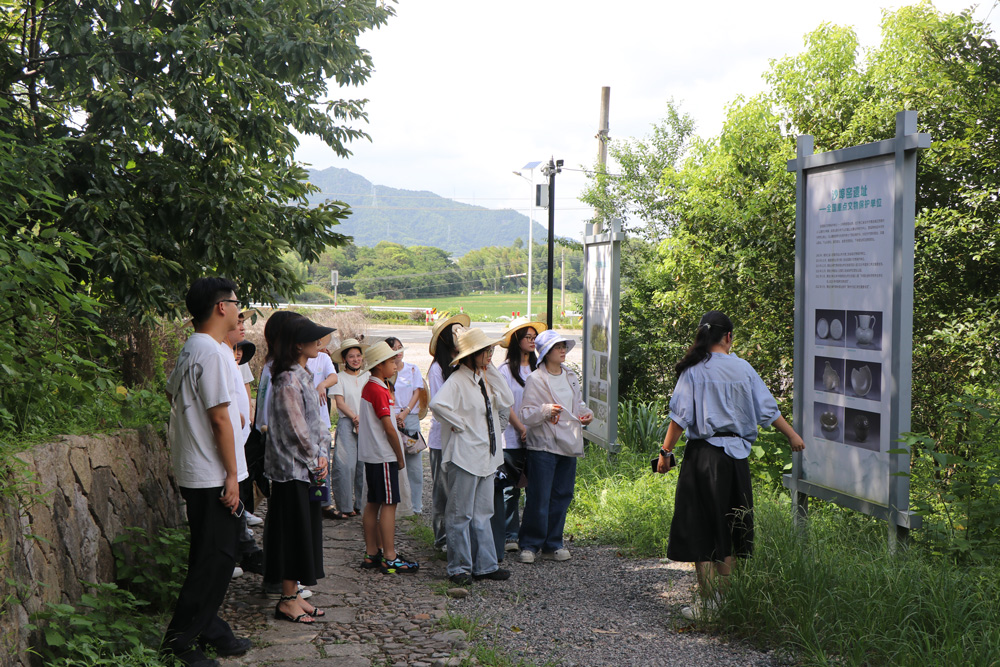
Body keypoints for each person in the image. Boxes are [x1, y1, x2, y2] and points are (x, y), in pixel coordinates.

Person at [660, 312, 804, 619]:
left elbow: (680, 417)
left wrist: (665, 452)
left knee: (702, 527)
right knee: (730, 526)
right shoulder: (743, 368)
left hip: (703, 457)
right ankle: (724, 602)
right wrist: (792, 435)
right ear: (728, 337)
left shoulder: (694, 370)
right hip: (736, 459)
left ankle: (706, 604)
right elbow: (768, 410)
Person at [162, 277, 250, 667]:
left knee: (212, 555)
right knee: (213, 560)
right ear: (220, 308)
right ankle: (178, 643)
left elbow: (172, 394)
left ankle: (211, 629)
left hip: (199, 470)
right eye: (235, 303)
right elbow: (219, 418)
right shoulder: (212, 353)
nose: (238, 309)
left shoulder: (193, 348)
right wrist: (232, 476)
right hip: (213, 475)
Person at [430, 327, 514, 585]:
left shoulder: (483, 377)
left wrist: (492, 370)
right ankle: (459, 568)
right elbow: (437, 405)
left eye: (491, 350)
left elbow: (507, 399)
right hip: (465, 457)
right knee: (460, 514)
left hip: (487, 457)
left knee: (482, 513)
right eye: (486, 351)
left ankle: (486, 565)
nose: (491, 354)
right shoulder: (456, 380)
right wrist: (460, 424)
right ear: (472, 354)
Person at [263, 317, 333, 624]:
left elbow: (312, 423)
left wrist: (320, 455)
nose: (318, 342)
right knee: (291, 535)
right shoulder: (288, 379)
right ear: (296, 345)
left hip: (303, 469)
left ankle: (292, 596)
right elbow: (296, 429)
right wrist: (316, 457)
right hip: (292, 470)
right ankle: (287, 600)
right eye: (311, 338)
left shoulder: (300, 374)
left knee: (302, 533)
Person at [518, 329, 593, 565]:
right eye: (558, 347)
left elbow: (577, 404)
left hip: (568, 444)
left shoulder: (570, 376)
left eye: (564, 346)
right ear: (546, 352)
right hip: (543, 446)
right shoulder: (535, 379)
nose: (563, 350)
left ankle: (553, 544)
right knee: (539, 496)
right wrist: (545, 411)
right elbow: (526, 415)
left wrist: (586, 414)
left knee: (562, 495)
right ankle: (529, 545)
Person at [358, 341, 419, 574]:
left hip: (373, 455)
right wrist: (399, 455)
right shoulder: (379, 389)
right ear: (379, 365)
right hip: (383, 455)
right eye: (391, 361)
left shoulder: (371, 386)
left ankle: (372, 552)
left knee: (373, 503)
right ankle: (390, 557)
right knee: (389, 504)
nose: (395, 364)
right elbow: (389, 428)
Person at [494, 318, 545, 554]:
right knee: (510, 489)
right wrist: (521, 428)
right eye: (528, 337)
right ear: (517, 341)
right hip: (512, 438)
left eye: (535, 337)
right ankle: (509, 534)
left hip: (538, 436)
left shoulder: (540, 368)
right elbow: (506, 404)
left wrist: (532, 428)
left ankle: (532, 535)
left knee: (536, 488)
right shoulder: (504, 371)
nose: (533, 341)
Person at [426, 313, 470, 550]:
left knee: (459, 490)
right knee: (443, 490)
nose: (459, 335)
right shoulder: (437, 368)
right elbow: (439, 405)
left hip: (463, 437)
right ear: (445, 338)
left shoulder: (464, 362)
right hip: (442, 439)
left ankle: (458, 536)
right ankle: (442, 537)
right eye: (455, 332)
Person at [329, 338, 369, 518]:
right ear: (344, 359)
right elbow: (340, 402)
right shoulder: (340, 378)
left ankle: (363, 504)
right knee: (345, 466)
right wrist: (355, 417)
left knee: (364, 466)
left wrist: (363, 419)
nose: (355, 359)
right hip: (348, 422)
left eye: (358, 356)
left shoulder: (368, 376)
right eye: (351, 356)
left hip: (368, 423)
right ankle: (345, 506)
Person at [386, 336, 425, 514]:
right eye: (394, 349)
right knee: (393, 459)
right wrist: (395, 415)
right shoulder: (385, 372)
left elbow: (417, 392)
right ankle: (397, 504)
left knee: (414, 463)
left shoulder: (412, 369)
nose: (399, 352)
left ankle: (415, 506)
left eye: (400, 347)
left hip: (409, 417)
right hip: (390, 418)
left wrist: (405, 412)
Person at [304, 335, 339, 518]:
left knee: (323, 460)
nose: (317, 344)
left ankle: (324, 502)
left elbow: (334, 376)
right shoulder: (299, 360)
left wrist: (322, 385)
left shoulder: (323, 358)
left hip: (321, 418)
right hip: (304, 420)